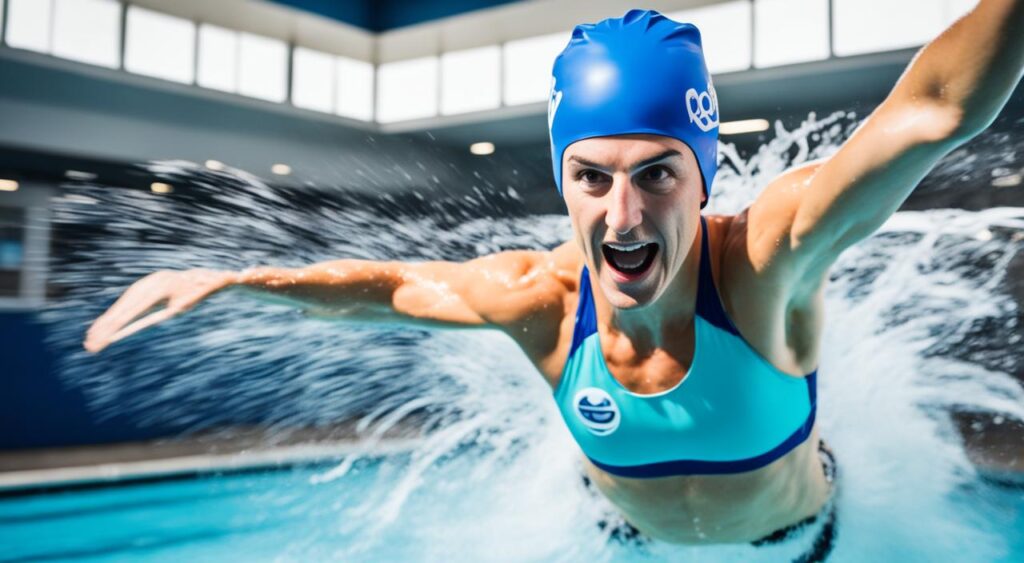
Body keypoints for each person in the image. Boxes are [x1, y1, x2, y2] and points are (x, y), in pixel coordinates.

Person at [84, 2, 1024, 557]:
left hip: (793, 552)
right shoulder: (544, 299)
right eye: (592, 177)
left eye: (658, 173)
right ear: (564, 183)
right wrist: (240, 280)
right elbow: (397, 291)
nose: (622, 216)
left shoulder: (766, 263)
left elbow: (934, 108)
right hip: (622, 545)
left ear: (706, 179)